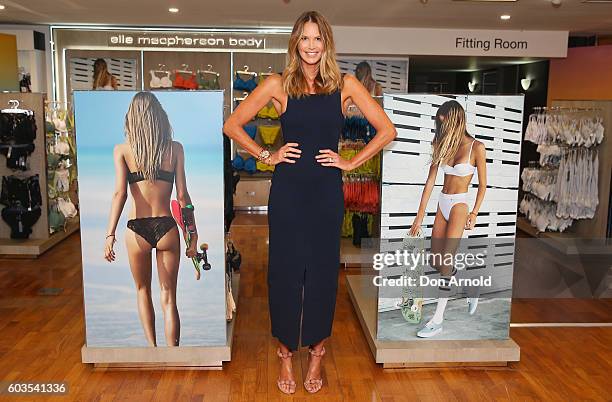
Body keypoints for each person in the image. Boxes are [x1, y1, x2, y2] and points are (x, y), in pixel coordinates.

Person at [223, 10, 396, 395]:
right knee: (283, 272)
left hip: (326, 193)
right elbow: (232, 125)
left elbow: (387, 130)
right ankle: (285, 353)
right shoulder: (277, 84)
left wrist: (350, 161)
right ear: (295, 43)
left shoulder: (346, 85)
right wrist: (267, 154)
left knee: (320, 273)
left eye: (318, 39)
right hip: (287, 192)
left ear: (327, 43)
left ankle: (317, 351)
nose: (312, 46)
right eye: (305, 38)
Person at [103, 92, 197, 347]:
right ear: (160, 117)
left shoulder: (122, 151)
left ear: (131, 119)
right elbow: (183, 196)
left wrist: (109, 234)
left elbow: (119, 194)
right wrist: (192, 234)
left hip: (136, 229)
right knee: (169, 298)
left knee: (142, 290)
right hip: (166, 227)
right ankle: (173, 355)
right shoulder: (175, 148)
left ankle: (152, 350)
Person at [408, 100, 487, 338]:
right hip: (443, 202)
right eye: (439, 123)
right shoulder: (441, 144)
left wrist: (474, 212)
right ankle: (471, 289)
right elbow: (430, 182)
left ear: (455, 119)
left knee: (446, 262)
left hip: (460, 205)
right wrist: (419, 218)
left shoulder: (477, 147)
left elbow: (483, 185)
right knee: (435, 259)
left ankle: (438, 319)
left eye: (444, 122)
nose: (441, 127)